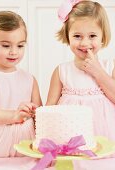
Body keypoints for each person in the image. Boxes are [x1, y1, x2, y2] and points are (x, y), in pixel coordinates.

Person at [46, 0, 115, 169]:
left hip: (105, 142)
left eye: (92, 36)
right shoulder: (61, 71)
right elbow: (49, 110)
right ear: (67, 36)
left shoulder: (110, 67)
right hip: (68, 141)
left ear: (103, 36)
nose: (84, 43)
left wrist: (98, 72)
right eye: (77, 36)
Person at [0, 11, 43, 169]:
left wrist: (34, 111)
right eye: (6, 46)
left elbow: (39, 115)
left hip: (25, 140)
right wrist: (15, 115)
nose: (14, 51)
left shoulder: (29, 79)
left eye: (20, 45)